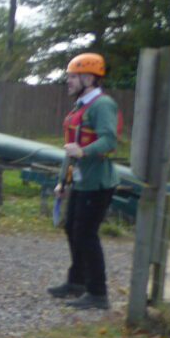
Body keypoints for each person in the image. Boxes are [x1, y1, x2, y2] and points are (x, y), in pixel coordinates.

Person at [48, 53, 120, 310]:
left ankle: (98, 293)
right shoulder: (80, 107)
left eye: (73, 77)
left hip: (97, 182)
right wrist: (62, 181)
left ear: (89, 78)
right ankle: (77, 282)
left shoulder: (102, 105)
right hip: (80, 181)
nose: (68, 81)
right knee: (72, 230)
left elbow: (109, 140)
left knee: (86, 234)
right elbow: (71, 149)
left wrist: (84, 151)